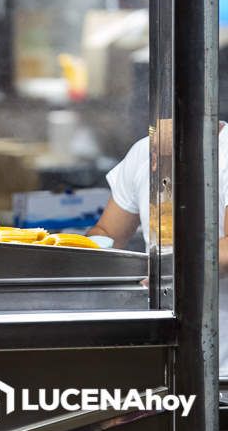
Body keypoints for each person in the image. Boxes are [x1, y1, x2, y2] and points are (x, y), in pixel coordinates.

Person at [88, 121, 228, 375]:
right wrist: (84, 253)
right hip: (161, 347)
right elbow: (108, 232)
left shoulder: (225, 153)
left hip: (221, 359)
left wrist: (172, 270)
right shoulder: (145, 152)